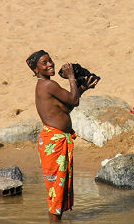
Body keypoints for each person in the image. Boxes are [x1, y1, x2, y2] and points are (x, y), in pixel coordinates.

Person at [26, 50, 98, 222]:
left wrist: (81, 89)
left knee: (57, 192)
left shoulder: (47, 86)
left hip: (55, 141)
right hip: (55, 142)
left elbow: (65, 108)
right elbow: (74, 101)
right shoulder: (47, 85)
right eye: (44, 63)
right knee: (56, 196)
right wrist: (72, 77)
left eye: (50, 60)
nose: (50, 64)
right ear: (36, 70)